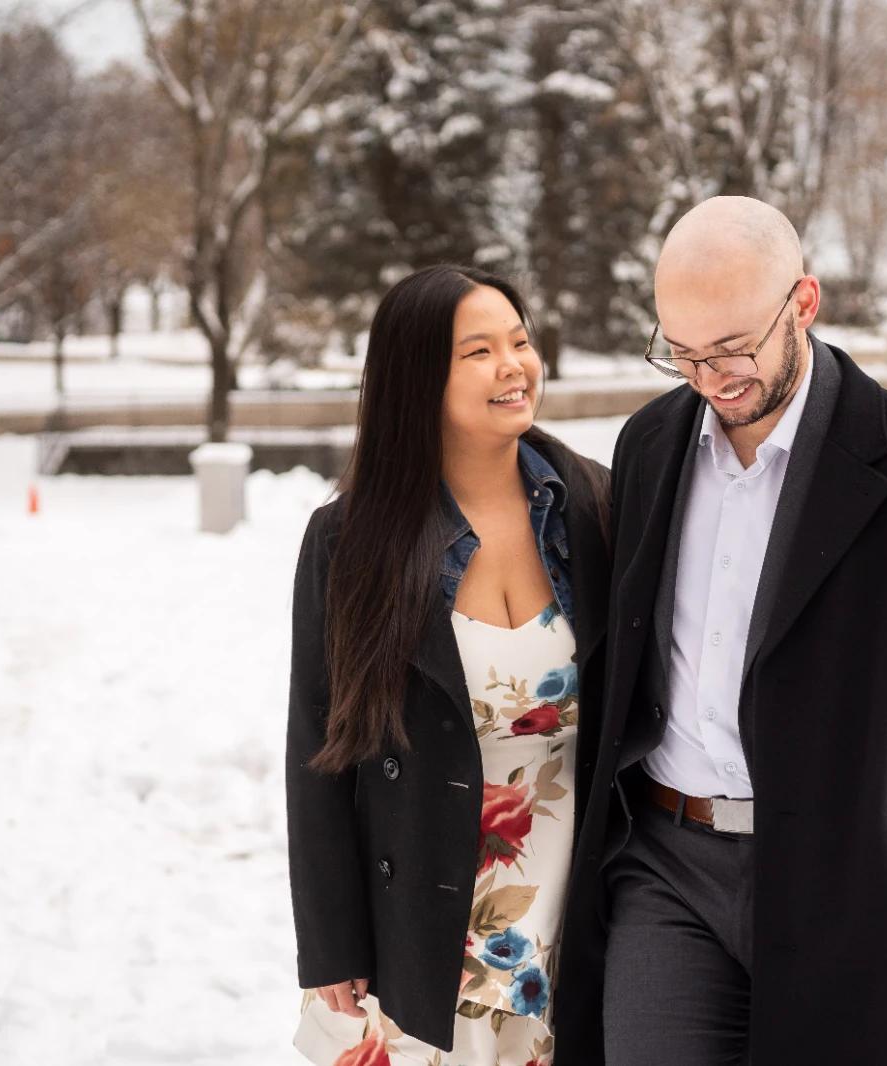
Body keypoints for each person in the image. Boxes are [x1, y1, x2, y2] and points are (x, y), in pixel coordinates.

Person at [555, 196, 887, 1065]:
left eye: (734, 348)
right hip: (665, 868)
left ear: (804, 304)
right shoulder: (649, 446)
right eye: (684, 353)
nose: (710, 378)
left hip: (845, 886)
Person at [285, 264, 611, 1066]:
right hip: (418, 918)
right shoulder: (349, 543)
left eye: (521, 342)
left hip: (573, 908)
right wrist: (331, 942)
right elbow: (317, 749)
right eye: (479, 351)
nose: (515, 366)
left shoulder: (599, 509)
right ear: (418, 377)